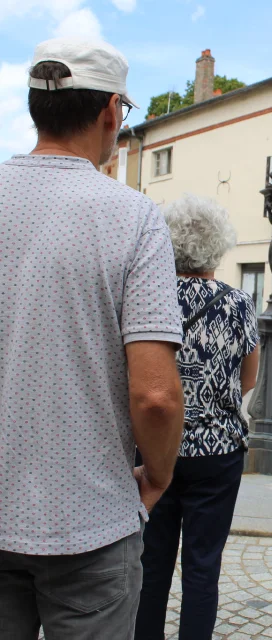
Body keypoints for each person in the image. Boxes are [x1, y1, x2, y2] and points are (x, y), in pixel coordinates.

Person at [0, 38, 185, 639]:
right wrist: (158, 475)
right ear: (111, 112)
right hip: (90, 523)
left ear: (34, 106)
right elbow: (155, 397)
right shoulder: (131, 216)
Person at [134, 194, 260, 640]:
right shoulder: (239, 302)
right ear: (218, 246)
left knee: (150, 565)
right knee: (204, 567)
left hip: (153, 447)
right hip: (219, 450)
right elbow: (248, 378)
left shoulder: (147, 298)